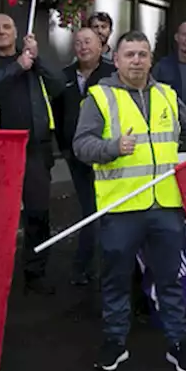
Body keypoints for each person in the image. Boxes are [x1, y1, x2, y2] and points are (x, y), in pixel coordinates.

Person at [74, 31, 186, 371]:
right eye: (130, 54)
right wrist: (112, 148)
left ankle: (179, 343)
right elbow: (82, 146)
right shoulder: (99, 97)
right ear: (118, 59)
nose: (137, 60)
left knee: (170, 280)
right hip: (121, 208)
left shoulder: (167, 96)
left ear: (151, 59)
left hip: (166, 206)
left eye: (143, 54)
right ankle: (114, 342)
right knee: (115, 280)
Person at [0, 13, 64, 294]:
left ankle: (35, 274)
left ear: (16, 32)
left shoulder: (33, 63)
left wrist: (36, 58)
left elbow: (59, 86)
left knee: (37, 215)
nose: (1, 32)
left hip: (35, 150)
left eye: (7, 27)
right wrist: (17, 67)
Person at [56, 27, 115, 286]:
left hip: (107, 154)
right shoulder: (64, 77)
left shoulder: (112, 75)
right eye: (78, 42)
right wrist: (65, 148)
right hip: (76, 156)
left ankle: (97, 266)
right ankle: (86, 266)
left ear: (101, 46)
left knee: (104, 211)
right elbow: (57, 115)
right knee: (89, 209)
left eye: (88, 42)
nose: (83, 47)